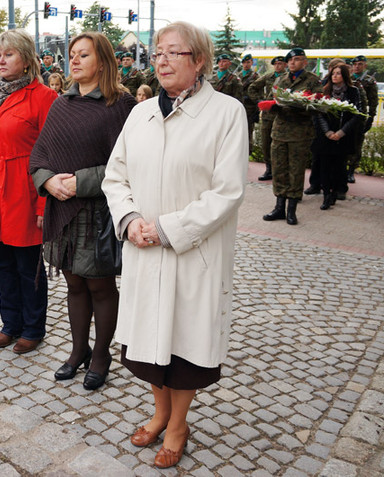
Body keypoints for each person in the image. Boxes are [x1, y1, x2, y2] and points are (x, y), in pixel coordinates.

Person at [101, 21, 248, 469]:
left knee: (184, 346)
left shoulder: (226, 113)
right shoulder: (140, 113)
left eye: (173, 53)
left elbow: (227, 191)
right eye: (157, 53)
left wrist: (166, 229)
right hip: (143, 249)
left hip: (192, 253)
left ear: (198, 60)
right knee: (148, 342)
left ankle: (178, 422)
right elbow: (115, 174)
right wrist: (128, 220)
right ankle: (159, 410)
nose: (161, 60)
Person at [30, 31, 137, 390]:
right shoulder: (62, 104)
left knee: (101, 286)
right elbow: (39, 155)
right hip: (62, 211)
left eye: (84, 55)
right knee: (74, 285)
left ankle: (103, 354)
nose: (74, 61)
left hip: (99, 214)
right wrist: (47, 182)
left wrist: (82, 182)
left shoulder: (120, 106)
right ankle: (79, 351)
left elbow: (130, 164)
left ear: (103, 62)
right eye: (72, 54)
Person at [0, 29, 58, 354]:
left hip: (24, 190)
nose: (1, 61)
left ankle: (33, 327)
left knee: (27, 264)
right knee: (3, 264)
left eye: (9, 55)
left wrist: (44, 205)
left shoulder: (44, 97)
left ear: (26, 59)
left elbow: (53, 156)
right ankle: (10, 324)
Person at [262, 47, 322, 225]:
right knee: (279, 170)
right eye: (290, 60)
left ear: (305, 62)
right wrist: (272, 106)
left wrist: (300, 106)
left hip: (300, 133)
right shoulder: (281, 79)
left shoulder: (312, 81)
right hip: (280, 131)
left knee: (296, 171)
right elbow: (270, 97)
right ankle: (279, 207)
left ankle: (292, 209)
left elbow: (319, 104)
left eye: (297, 60)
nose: (293, 63)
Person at [312, 64, 363, 210]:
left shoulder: (353, 91)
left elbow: (356, 114)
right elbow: (318, 112)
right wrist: (327, 132)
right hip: (325, 135)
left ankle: (335, 192)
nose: (334, 76)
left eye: (338, 73)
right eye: (333, 73)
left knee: (339, 166)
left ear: (345, 75)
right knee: (325, 166)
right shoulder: (325, 90)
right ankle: (326, 195)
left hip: (343, 135)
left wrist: (341, 132)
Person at [248, 56, 287, 181]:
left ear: (285, 65)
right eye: (276, 64)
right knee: (266, 143)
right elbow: (252, 87)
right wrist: (260, 101)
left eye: (280, 64)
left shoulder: (288, 77)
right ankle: (269, 169)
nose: (278, 66)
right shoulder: (268, 77)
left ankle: (280, 170)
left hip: (282, 115)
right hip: (268, 114)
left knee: (281, 144)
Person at [349, 55, 379, 183]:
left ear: (365, 66)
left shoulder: (369, 81)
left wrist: (370, 118)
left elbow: (373, 101)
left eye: (360, 64)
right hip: (346, 115)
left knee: (357, 144)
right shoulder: (347, 78)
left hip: (360, 116)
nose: (357, 66)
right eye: (355, 64)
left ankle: (351, 171)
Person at [238, 54, 260, 154]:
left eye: (248, 62)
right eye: (244, 62)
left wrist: (257, 108)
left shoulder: (255, 76)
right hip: (238, 106)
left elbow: (258, 92)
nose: (246, 64)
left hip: (249, 108)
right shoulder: (237, 76)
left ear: (251, 63)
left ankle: (247, 154)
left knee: (248, 132)